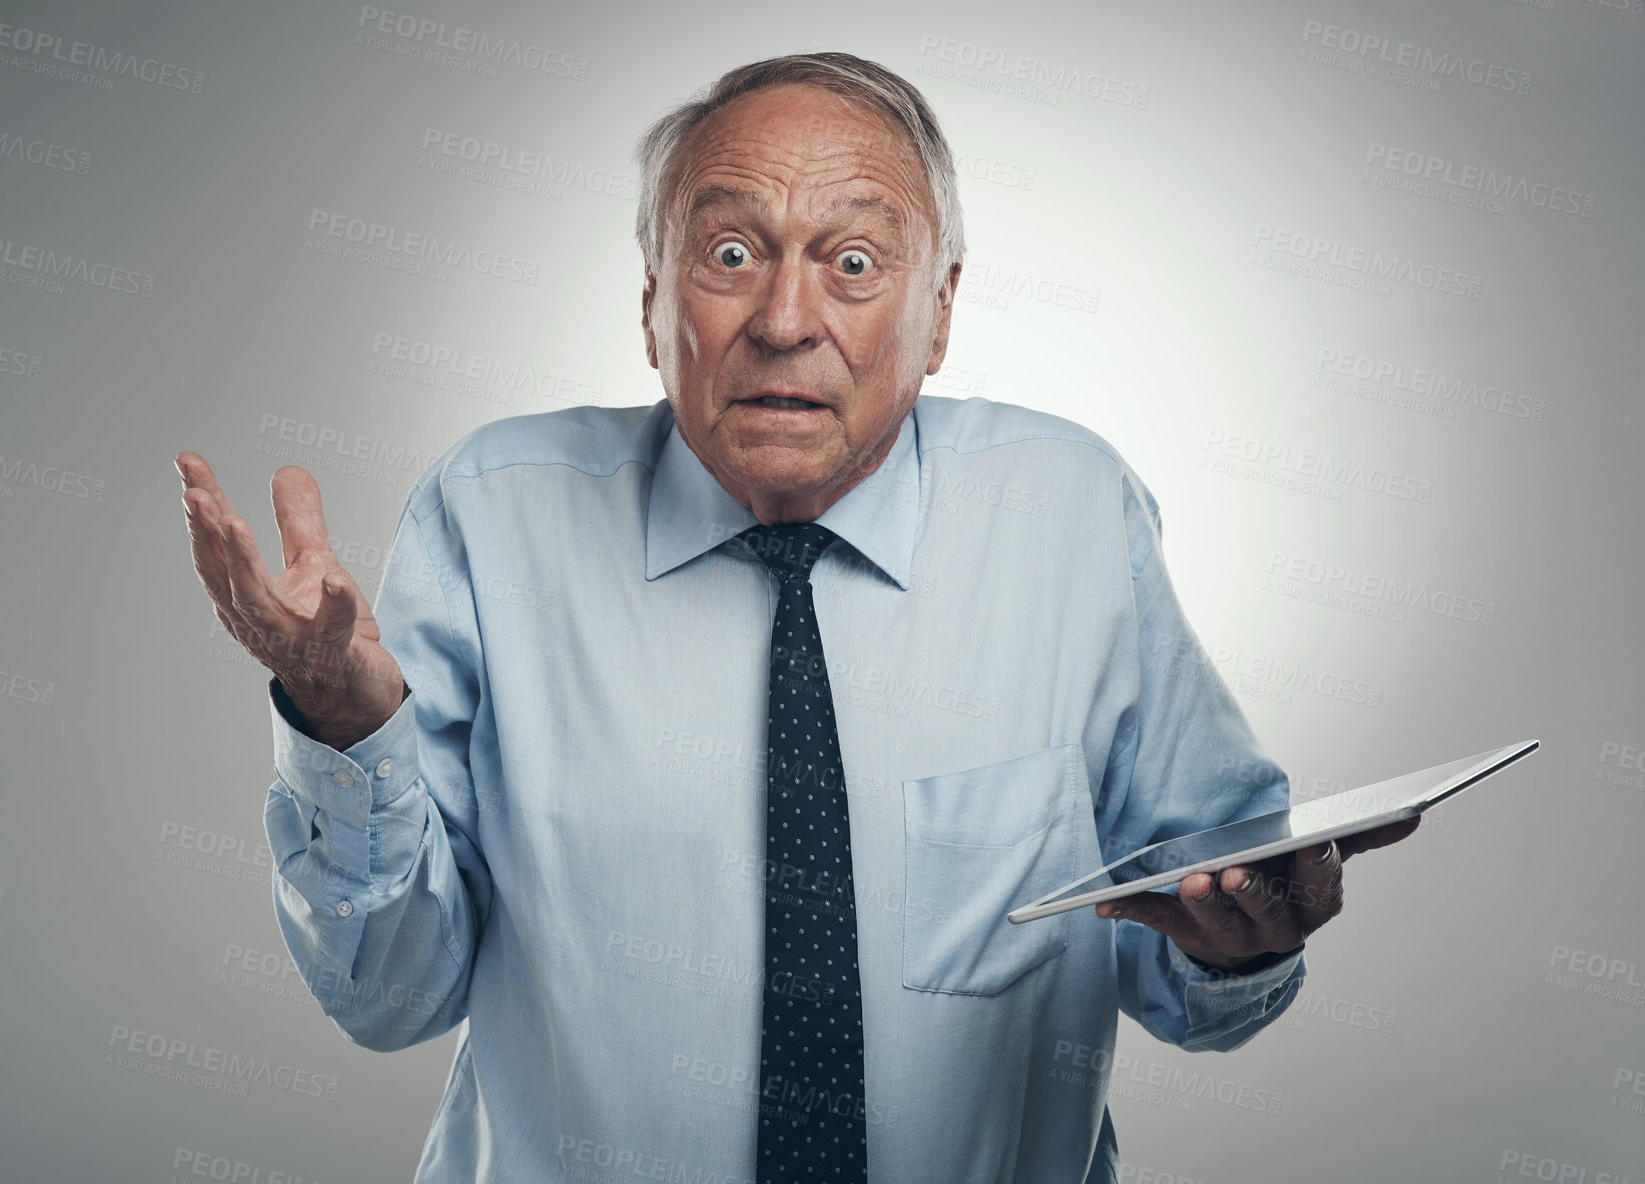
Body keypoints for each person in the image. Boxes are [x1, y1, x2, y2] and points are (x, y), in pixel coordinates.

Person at [177, 52, 1415, 1184]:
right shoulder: (495, 513)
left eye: (854, 262)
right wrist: (343, 728)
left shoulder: (1071, 514)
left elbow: (1187, 953)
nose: (782, 318)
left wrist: (1239, 942)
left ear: (937, 312)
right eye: (728, 254)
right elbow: (389, 990)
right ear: (653, 300)